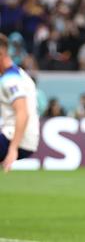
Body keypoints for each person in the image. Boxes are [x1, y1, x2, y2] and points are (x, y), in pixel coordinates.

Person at [0, 33, 40, 173]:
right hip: (20, 137)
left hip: (16, 139)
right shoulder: (19, 74)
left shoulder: (11, 80)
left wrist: (13, 148)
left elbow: (22, 112)